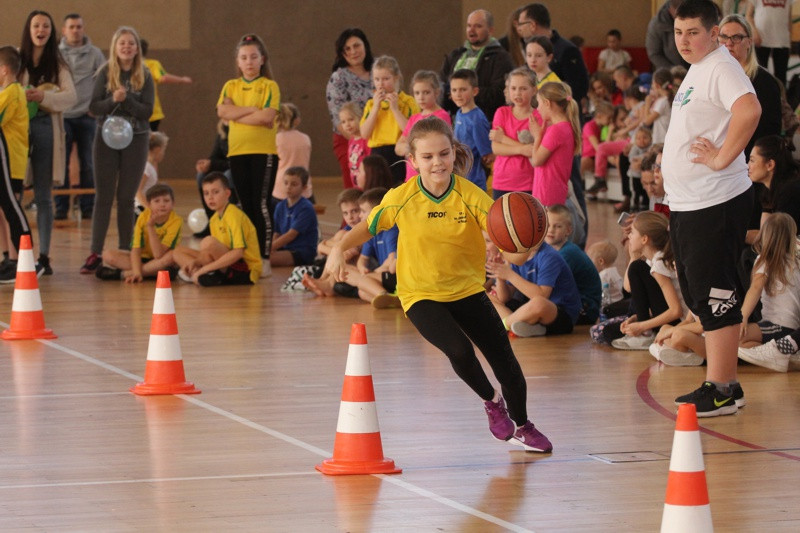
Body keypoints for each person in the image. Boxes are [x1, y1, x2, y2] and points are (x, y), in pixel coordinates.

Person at [326, 116, 553, 453]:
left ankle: (522, 425)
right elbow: (368, 227)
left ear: (453, 153)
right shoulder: (401, 197)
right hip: (421, 295)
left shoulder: (471, 195)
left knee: (508, 365)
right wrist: (338, 249)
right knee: (459, 351)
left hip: (469, 291)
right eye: (428, 157)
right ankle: (492, 402)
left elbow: (509, 247)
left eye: (444, 154)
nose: (437, 162)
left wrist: (523, 243)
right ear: (413, 161)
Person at [663, 0, 761, 416]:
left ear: (714, 32)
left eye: (693, 33)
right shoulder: (700, 67)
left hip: (715, 201)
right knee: (698, 292)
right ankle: (724, 385)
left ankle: (722, 387)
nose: (684, 41)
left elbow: (750, 110)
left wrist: (721, 158)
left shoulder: (721, 66)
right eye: (678, 32)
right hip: (690, 202)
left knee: (716, 293)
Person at [81, 26, 154, 275]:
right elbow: (93, 107)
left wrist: (128, 101)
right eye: (122, 43)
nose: (126, 47)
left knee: (126, 198)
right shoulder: (104, 72)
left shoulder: (144, 74)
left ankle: (125, 250)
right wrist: (113, 100)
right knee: (103, 197)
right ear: (115, 46)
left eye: (131, 43)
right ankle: (95, 252)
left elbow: (148, 112)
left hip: (137, 139)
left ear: (137, 48)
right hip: (106, 139)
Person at [19, 10, 77, 275]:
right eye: (36, 25)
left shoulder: (58, 63)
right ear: (28, 30)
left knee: (43, 195)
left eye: (45, 26)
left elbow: (70, 98)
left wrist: (42, 96)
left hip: (45, 129)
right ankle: (16, 255)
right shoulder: (16, 58)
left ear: (52, 32)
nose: (41, 30)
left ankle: (44, 256)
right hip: (16, 131)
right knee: (14, 193)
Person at [216, 34, 280, 278]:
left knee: (260, 204)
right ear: (238, 62)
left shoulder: (269, 86)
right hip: (237, 152)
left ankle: (264, 258)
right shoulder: (230, 87)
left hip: (263, 153)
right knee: (245, 206)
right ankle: (249, 255)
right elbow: (223, 112)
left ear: (262, 59)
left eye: (254, 56)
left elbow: (267, 118)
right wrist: (251, 110)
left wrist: (237, 114)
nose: (249, 61)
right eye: (244, 57)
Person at [591, 211, 685, 349]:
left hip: (677, 321)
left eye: (633, 232)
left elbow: (676, 310)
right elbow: (628, 288)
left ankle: (645, 334)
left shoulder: (659, 263)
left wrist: (642, 326)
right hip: (667, 318)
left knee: (604, 332)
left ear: (644, 239)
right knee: (605, 330)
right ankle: (645, 331)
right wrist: (634, 257)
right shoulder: (651, 260)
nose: (629, 236)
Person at [55, 13, 105, 221]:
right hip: (62, 117)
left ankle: (87, 207)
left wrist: (97, 107)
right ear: (64, 30)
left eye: (79, 27)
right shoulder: (56, 53)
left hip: (86, 116)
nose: (75, 30)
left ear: (83, 29)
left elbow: (105, 79)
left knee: (88, 162)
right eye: (71, 27)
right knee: (60, 163)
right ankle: (61, 208)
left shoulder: (95, 54)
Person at [174, 172, 262, 286]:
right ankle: (198, 273)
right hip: (226, 262)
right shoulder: (214, 219)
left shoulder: (234, 215)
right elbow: (212, 253)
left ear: (227, 193)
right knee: (178, 251)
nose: (210, 197)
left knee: (208, 242)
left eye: (215, 192)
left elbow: (238, 253)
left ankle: (205, 273)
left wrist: (204, 268)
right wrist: (197, 262)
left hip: (245, 270)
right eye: (206, 193)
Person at [487, 239, 582, 338]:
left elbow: (542, 295)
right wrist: (501, 277)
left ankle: (502, 326)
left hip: (559, 315)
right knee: (488, 298)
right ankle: (517, 327)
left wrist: (510, 275)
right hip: (532, 313)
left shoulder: (549, 256)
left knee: (539, 303)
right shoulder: (517, 256)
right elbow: (504, 298)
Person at [718, 14, 782, 159]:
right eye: (723, 37)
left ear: (749, 42)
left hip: (748, 164)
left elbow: (769, 134)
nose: (729, 43)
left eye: (736, 37)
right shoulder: (713, 77)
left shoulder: (764, 82)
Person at [94, 183, 181, 282]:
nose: (162, 204)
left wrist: (150, 227)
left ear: (173, 203)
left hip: (161, 261)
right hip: (143, 259)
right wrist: (137, 272)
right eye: (157, 201)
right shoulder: (143, 217)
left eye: (166, 200)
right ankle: (151, 273)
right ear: (149, 205)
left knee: (172, 256)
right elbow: (136, 249)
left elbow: (158, 254)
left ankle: (122, 274)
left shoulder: (176, 221)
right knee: (107, 255)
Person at [739, 213, 800, 350]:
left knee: (737, 338)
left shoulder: (766, 260)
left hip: (778, 325)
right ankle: (784, 351)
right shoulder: (795, 262)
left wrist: (742, 317)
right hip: (793, 329)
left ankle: (781, 354)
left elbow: (755, 288)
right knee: (740, 344)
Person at [0, 46, 35, 283]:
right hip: (5, 160)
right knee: (5, 209)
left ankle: (26, 260)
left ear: (3, 69)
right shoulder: (8, 91)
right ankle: (9, 260)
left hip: (9, 160)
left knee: (12, 207)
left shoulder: (12, 92)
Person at [441, 9, 514, 122]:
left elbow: (499, 94)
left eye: (478, 26)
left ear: (490, 30)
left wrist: (468, 93)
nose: (471, 30)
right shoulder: (455, 55)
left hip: (484, 119)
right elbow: (441, 84)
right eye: (469, 26)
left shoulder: (501, 58)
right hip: (453, 118)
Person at [326, 28, 374, 189]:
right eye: (347, 49)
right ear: (342, 53)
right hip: (350, 140)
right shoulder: (338, 77)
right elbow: (337, 116)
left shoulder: (378, 71)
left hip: (379, 138)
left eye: (357, 46)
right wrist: (360, 143)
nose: (353, 51)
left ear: (365, 46)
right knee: (355, 188)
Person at [359, 55, 418, 184]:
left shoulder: (408, 102)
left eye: (386, 79)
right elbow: (364, 133)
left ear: (396, 78)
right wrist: (375, 108)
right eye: (377, 79)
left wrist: (395, 109)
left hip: (399, 151)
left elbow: (412, 132)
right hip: (377, 153)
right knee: (376, 192)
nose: (381, 83)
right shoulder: (370, 104)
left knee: (398, 189)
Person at [515, 4, 589, 103]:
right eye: (530, 56)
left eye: (521, 24)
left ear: (532, 25)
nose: (519, 29)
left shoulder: (567, 50)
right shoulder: (530, 47)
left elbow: (579, 89)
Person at [544, 205, 601, 325]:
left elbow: (547, 287)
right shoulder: (551, 251)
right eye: (548, 225)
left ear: (568, 231)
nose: (551, 230)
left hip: (586, 309)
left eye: (558, 226)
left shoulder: (568, 253)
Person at [528, 81, 581, 207]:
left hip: (547, 194)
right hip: (554, 192)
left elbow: (536, 161)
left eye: (539, 103)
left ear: (547, 103)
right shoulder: (565, 127)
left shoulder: (556, 130)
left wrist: (537, 136)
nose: (538, 109)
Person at [489, 67, 538, 199]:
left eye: (523, 88)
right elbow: (496, 148)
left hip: (529, 182)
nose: (518, 93)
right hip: (502, 181)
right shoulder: (502, 112)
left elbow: (534, 151)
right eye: (514, 88)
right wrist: (522, 149)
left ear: (534, 90)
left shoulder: (538, 117)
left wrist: (503, 138)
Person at [396, 70, 451, 181]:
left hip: (432, 175)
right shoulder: (414, 118)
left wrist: (412, 148)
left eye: (426, 92)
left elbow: (435, 144)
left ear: (436, 92)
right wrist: (411, 149)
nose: (421, 97)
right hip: (412, 175)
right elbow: (398, 147)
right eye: (417, 93)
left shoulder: (441, 115)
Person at [352, 188, 400, 309]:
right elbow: (362, 258)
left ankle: (385, 295)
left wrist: (376, 271)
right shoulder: (372, 233)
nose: (360, 215)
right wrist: (362, 267)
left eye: (363, 211)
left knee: (363, 281)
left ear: (376, 211)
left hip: (396, 275)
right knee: (361, 292)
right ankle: (390, 300)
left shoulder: (391, 230)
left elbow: (392, 261)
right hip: (386, 274)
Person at [451, 69, 493, 190]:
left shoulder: (477, 119)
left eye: (463, 90)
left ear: (475, 91)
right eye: (454, 90)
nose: (458, 94)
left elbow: (486, 154)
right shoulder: (459, 112)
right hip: (460, 175)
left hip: (473, 178)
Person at [194, 119, 236, 236]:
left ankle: (227, 221)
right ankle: (211, 221)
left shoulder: (240, 130)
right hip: (225, 167)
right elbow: (215, 156)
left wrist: (213, 164)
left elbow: (236, 161)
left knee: (227, 176)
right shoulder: (222, 129)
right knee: (201, 176)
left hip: (240, 169)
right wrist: (207, 164)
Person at [270, 166, 318, 268]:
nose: (288, 187)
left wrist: (269, 249)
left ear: (304, 187)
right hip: (285, 248)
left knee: (265, 259)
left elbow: (291, 235)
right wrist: (272, 247)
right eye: (286, 183)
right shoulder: (280, 206)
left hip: (301, 251)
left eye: (294, 184)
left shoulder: (306, 208)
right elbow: (277, 233)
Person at [140, 39, 192, 131]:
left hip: (138, 115)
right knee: (150, 142)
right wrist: (181, 79)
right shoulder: (152, 64)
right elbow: (163, 77)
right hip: (151, 113)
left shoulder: (125, 67)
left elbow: (163, 77)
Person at [273, 103, 313, 205]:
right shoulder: (305, 138)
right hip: (303, 188)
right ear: (296, 120)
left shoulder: (276, 139)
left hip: (281, 189)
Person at [749, 0, 794, 88]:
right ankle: (760, 99)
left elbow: (789, 18)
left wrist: (790, 39)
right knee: (759, 74)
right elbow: (748, 15)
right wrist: (754, 31)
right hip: (761, 39)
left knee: (781, 75)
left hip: (782, 40)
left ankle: (781, 99)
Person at [647, 0, 691, 70]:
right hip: (670, 72)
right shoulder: (657, 24)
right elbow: (654, 54)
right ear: (671, 10)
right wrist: (673, 70)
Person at [586, 240, 626, 316]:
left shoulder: (603, 276)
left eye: (590, 261)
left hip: (610, 306)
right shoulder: (614, 271)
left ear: (601, 261)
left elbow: (598, 293)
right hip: (620, 301)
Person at [580, 102, 614, 181]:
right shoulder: (589, 126)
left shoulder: (604, 127)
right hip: (591, 156)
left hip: (599, 156)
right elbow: (597, 147)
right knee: (581, 163)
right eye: (609, 118)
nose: (610, 121)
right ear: (599, 116)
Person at [135, 131, 168, 213]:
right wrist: (149, 209)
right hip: (140, 209)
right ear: (157, 150)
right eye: (163, 150)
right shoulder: (146, 168)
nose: (164, 153)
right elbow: (137, 191)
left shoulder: (150, 166)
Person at [338, 102, 368, 189]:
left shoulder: (366, 140)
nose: (347, 124)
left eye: (351, 119)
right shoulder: (351, 141)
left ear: (360, 118)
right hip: (355, 185)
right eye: (343, 122)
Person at [626, 127, 654, 212]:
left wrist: (640, 159)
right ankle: (634, 205)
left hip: (646, 177)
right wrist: (643, 157)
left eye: (645, 137)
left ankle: (645, 205)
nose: (642, 140)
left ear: (650, 139)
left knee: (645, 191)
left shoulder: (651, 148)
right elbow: (632, 159)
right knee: (635, 191)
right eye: (638, 138)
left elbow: (650, 157)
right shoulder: (635, 148)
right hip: (635, 176)